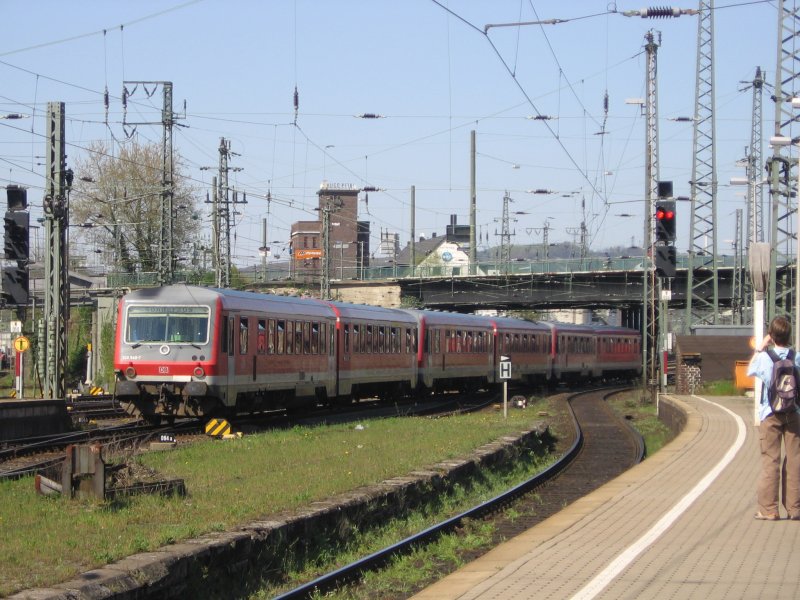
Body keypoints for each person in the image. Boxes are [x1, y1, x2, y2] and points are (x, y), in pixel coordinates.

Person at [747, 315, 800, 521]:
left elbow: (750, 370)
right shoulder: (796, 357)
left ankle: (769, 509)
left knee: (771, 461)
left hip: (770, 414)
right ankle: (795, 509)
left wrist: (761, 346)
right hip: (794, 413)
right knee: (795, 461)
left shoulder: (765, 357)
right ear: (789, 336)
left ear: (772, 335)